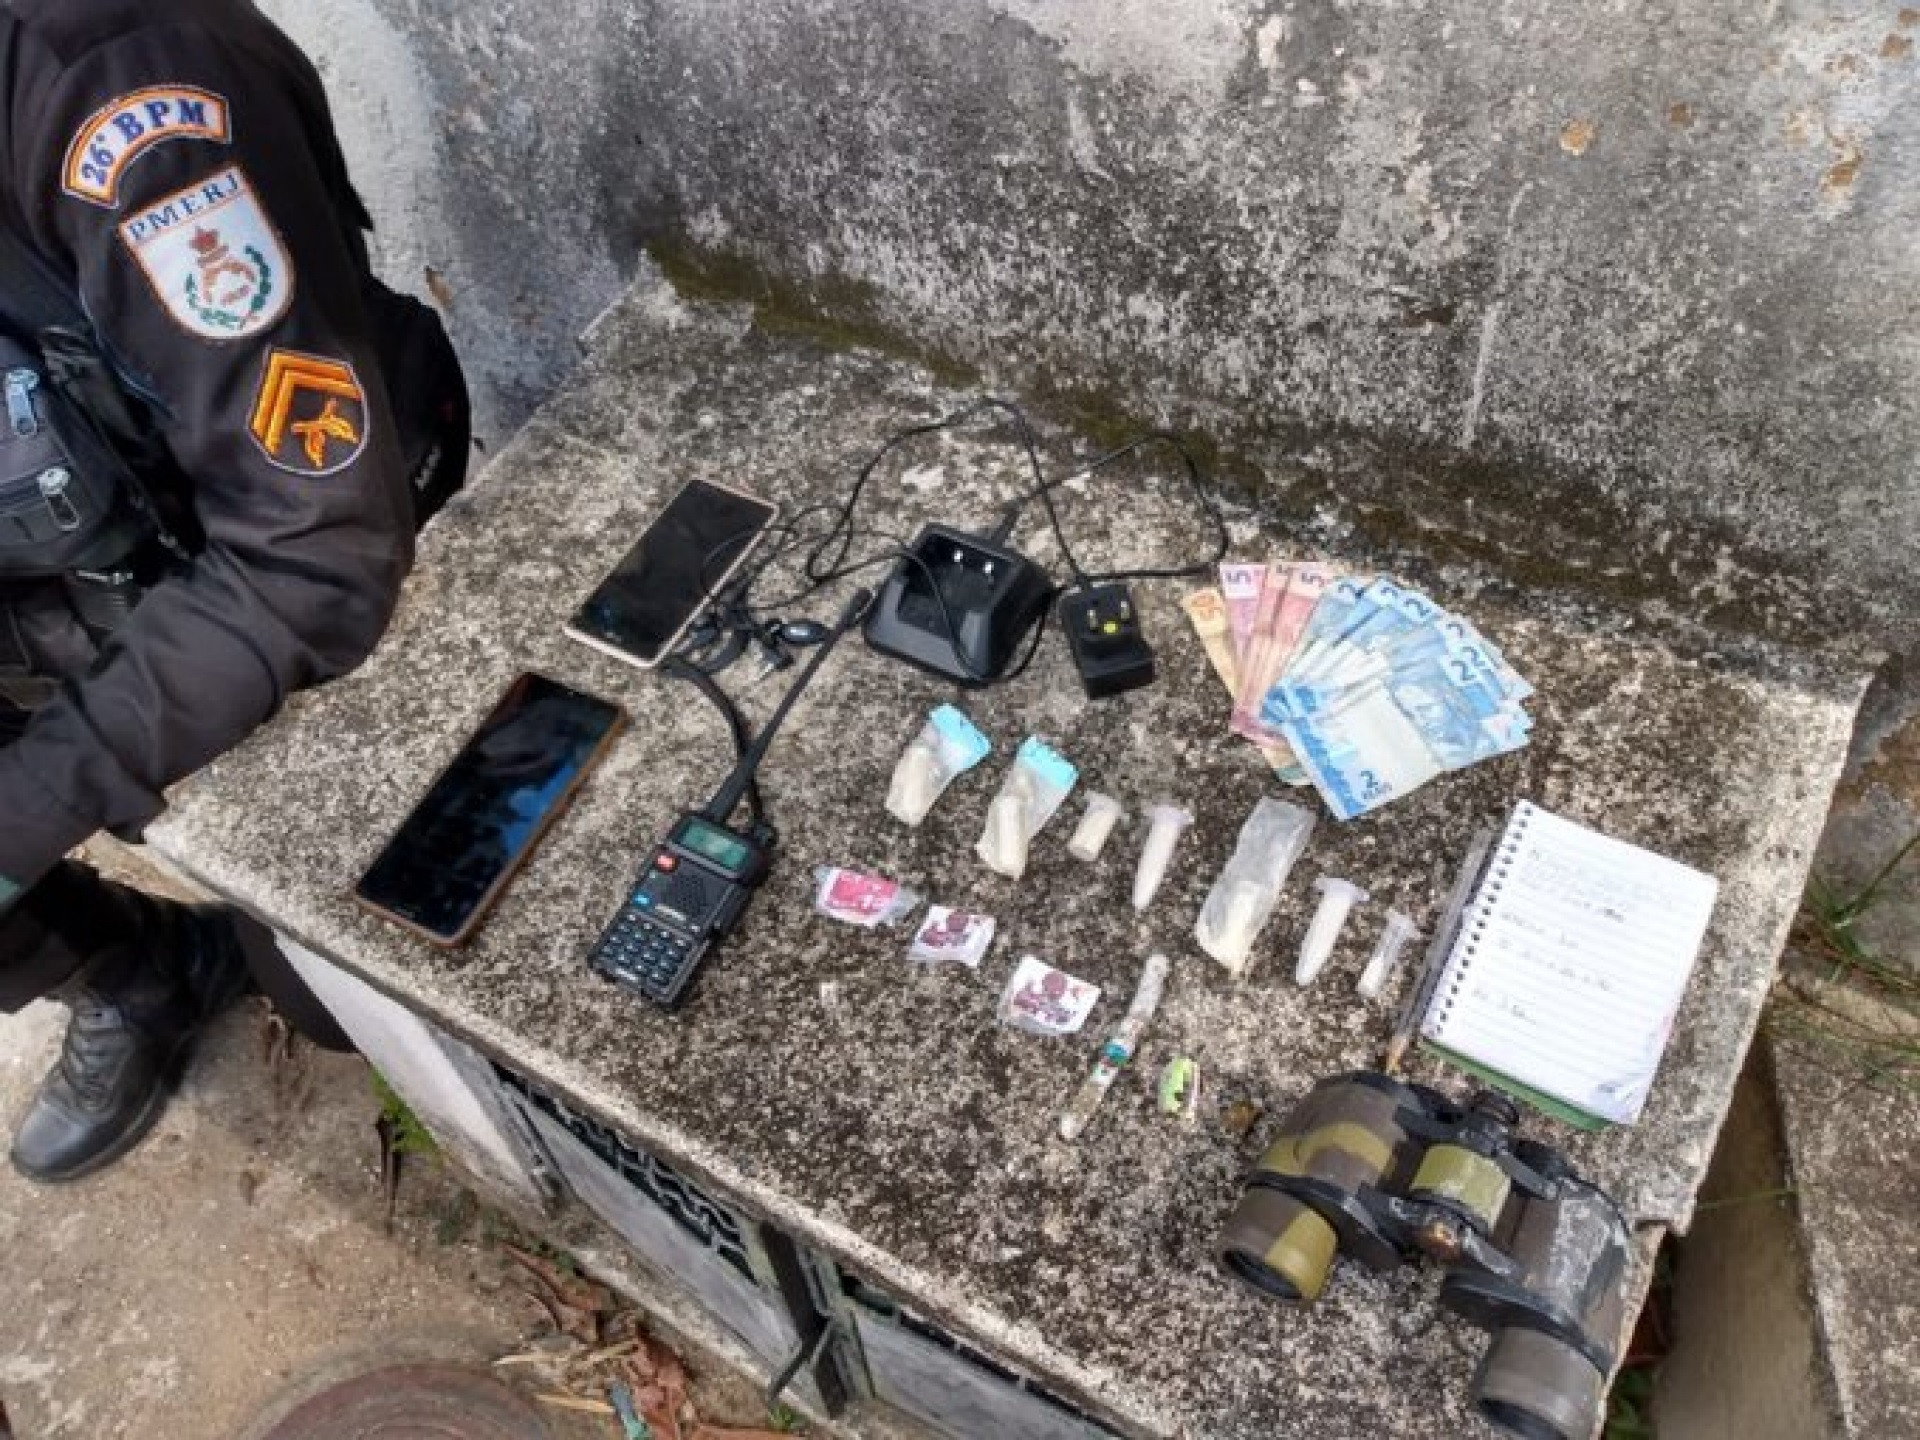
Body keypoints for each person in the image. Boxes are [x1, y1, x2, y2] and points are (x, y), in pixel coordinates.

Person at [0, 0, 467, 1183]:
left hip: (251, 551)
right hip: (66, 547)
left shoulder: (114, 92)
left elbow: (312, 553)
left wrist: (28, 803)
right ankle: (128, 966)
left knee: (338, 998)